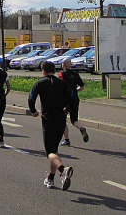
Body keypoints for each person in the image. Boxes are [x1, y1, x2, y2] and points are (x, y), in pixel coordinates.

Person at [28, 61, 74, 191]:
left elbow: (31, 98)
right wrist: (67, 109)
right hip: (61, 117)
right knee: (54, 150)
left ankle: (63, 170)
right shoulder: (63, 83)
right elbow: (72, 97)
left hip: (48, 118)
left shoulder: (40, 83)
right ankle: (51, 178)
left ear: (43, 71)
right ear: (54, 70)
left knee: (50, 152)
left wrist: (33, 111)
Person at [59, 58, 89, 146]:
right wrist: (75, 91)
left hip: (65, 100)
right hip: (75, 99)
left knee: (63, 119)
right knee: (74, 119)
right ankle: (81, 128)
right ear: (70, 64)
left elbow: (60, 85)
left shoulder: (61, 74)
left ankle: (67, 139)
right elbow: (82, 86)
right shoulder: (75, 74)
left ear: (63, 65)